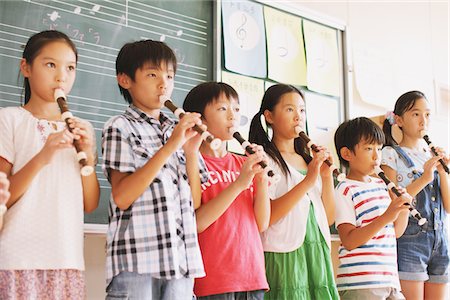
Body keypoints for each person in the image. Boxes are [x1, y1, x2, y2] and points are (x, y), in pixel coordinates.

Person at [102, 39, 208, 299]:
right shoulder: (119, 127)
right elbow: (122, 196)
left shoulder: (178, 130)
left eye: (169, 76)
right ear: (125, 80)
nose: (164, 84)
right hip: (136, 263)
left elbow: (194, 203)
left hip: (181, 263)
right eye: (152, 74)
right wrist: (171, 147)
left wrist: (191, 152)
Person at [0, 30, 100, 299]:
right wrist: (43, 156)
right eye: (50, 64)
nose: (61, 76)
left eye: (70, 68)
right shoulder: (9, 119)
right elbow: (2, 199)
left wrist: (88, 154)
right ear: (26, 67)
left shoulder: (83, 129)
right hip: (17, 259)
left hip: (66, 259)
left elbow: (90, 204)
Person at [248, 83, 338, 299]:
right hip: (283, 254)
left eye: (302, 110)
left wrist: (325, 177)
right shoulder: (263, 160)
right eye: (289, 109)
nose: (298, 117)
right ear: (269, 116)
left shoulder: (309, 161)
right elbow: (267, 218)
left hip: (316, 251)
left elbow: (328, 219)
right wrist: (308, 181)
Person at [183, 82, 270, 299]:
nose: (233, 116)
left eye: (237, 109)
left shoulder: (244, 163)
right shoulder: (191, 162)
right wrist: (239, 184)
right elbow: (197, 222)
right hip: (213, 279)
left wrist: (260, 180)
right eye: (223, 108)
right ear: (199, 119)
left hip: (252, 276)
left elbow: (262, 223)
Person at [381, 91, 450, 300]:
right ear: (399, 120)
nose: (423, 120)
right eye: (416, 114)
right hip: (411, 240)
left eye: (427, 114)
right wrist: (424, 178)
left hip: (441, 240)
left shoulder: (432, 155)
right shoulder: (390, 154)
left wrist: (442, 171)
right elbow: (394, 202)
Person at [334, 117, 409, 299]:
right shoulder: (345, 188)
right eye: (368, 149)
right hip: (361, 283)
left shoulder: (381, 186)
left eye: (379, 149)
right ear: (347, 154)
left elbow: (396, 231)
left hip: (389, 280)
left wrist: (402, 208)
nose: (376, 156)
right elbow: (349, 240)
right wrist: (387, 215)